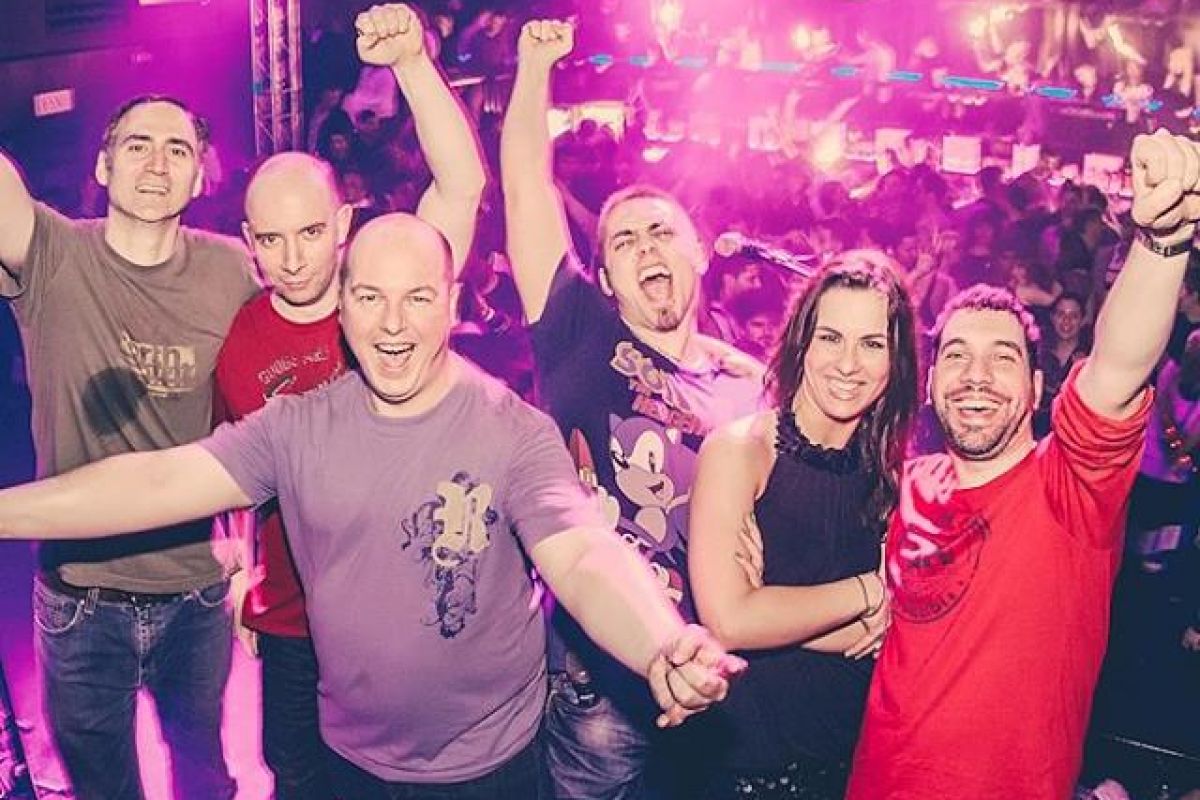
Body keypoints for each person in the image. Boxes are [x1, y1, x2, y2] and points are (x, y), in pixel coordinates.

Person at [0, 212, 745, 798]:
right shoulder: (296, 427)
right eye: (370, 298)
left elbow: (581, 552)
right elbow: (159, 483)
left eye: (417, 298)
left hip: (494, 768)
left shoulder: (512, 429)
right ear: (342, 307)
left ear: (451, 304)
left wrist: (658, 641)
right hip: (350, 761)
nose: (393, 324)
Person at [846, 130, 1200, 800]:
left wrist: (1160, 242)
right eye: (956, 355)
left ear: (1037, 390)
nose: (976, 375)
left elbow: (1116, 369)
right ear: (930, 384)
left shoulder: (1068, 489)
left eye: (1002, 358)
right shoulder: (907, 485)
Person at [214, 6, 487, 798]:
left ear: (342, 222)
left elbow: (461, 185)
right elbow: (234, 476)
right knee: (299, 778)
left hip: (405, 606)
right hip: (292, 619)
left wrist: (411, 64)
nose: (294, 258)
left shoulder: (386, 295)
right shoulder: (238, 339)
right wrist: (239, 570)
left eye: (309, 232)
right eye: (272, 240)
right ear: (249, 241)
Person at [502, 19, 764, 799]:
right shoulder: (580, 334)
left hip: (718, 669)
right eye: (624, 241)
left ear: (698, 253)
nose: (647, 247)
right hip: (600, 677)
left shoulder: (748, 383)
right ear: (606, 279)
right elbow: (525, 187)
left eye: (662, 232)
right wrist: (534, 67)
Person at [0, 96, 258, 799]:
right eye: (137, 144)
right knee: (104, 788)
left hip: (194, 592)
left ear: (200, 175)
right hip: (80, 599)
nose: (157, 163)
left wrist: (253, 547)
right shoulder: (53, 253)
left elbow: (268, 406)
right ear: (103, 166)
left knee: (205, 778)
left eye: (178, 149)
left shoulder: (231, 271)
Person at [689, 252, 920, 799]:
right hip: (750, 768)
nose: (848, 364)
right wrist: (871, 591)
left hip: (855, 766)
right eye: (831, 337)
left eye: (872, 344)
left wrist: (774, 604)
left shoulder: (895, 473)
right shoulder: (741, 452)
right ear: (802, 342)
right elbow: (730, 620)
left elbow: (899, 633)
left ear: (896, 361)